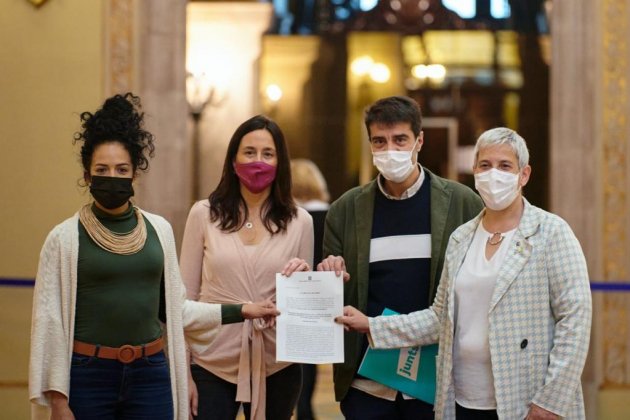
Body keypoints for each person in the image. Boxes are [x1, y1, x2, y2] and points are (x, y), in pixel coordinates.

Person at [28, 93, 278, 420]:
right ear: (87, 176)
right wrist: (59, 401)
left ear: (134, 174)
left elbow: (176, 311)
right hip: (88, 376)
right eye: (102, 169)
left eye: (122, 169)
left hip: (150, 375)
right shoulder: (63, 239)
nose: (112, 177)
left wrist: (242, 310)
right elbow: (49, 322)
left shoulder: (158, 230)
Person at [336, 127, 592, 419]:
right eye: (485, 165)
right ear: (474, 171)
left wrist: (551, 401)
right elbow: (439, 317)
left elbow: (575, 319)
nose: (493, 174)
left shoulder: (551, 232)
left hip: (526, 398)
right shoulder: (462, 237)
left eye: (505, 166)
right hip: (461, 398)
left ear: (524, 175)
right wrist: (372, 325)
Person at [317, 95, 484, 419]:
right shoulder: (345, 210)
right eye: (379, 141)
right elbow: (335, 295)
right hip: (367, 385)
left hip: (434, 381)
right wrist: (328, 274)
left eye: (400, 140)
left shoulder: (462, 204)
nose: (390, 150)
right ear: (369, 143)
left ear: (419, 141)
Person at [180, 115, 314, 420]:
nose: (259, 162)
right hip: (210, 358)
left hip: (278, 362)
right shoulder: (203, 214)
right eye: (249, 152)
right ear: (233, 160)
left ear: (280, 162)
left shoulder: (300, 221)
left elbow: (304, 304)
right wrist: (183, 373)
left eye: (268, 154)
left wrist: (310, 279)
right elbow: (183, 300)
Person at [290, 158, 331, 420]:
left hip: (295, 295)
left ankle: (300, 406)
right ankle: (307, 408)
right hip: (325, 295)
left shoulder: (291, 219)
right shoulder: (332, 215)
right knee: (312, 359)